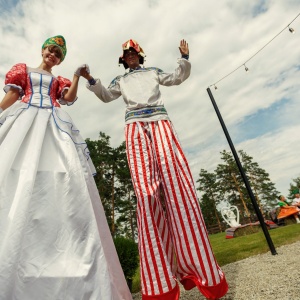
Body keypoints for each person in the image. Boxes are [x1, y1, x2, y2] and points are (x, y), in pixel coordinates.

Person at [84, 39, 228, 300]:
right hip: (135, 126)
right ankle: (161, 280)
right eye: (126, 55)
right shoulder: (120, 80)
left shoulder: (153, 72)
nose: (130, 57)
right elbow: (106, 96)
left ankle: (200, 269)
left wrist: (184, 58)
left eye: (133, 54)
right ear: (123, 59)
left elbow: (176, 78)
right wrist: (92, 79)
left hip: (160, 121)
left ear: (140, 56)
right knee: (146, 193)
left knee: (176, 185)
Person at [0, 35, 132, 300]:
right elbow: (14, 95)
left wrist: (77, 75)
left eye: (58, 54)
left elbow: (69, 97)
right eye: (51, 50)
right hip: (25, 122)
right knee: (16, 172)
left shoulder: (58, 80)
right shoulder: (24, 70)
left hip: (52, 124)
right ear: (43, 50)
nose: (53, 55)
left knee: (62, 176)